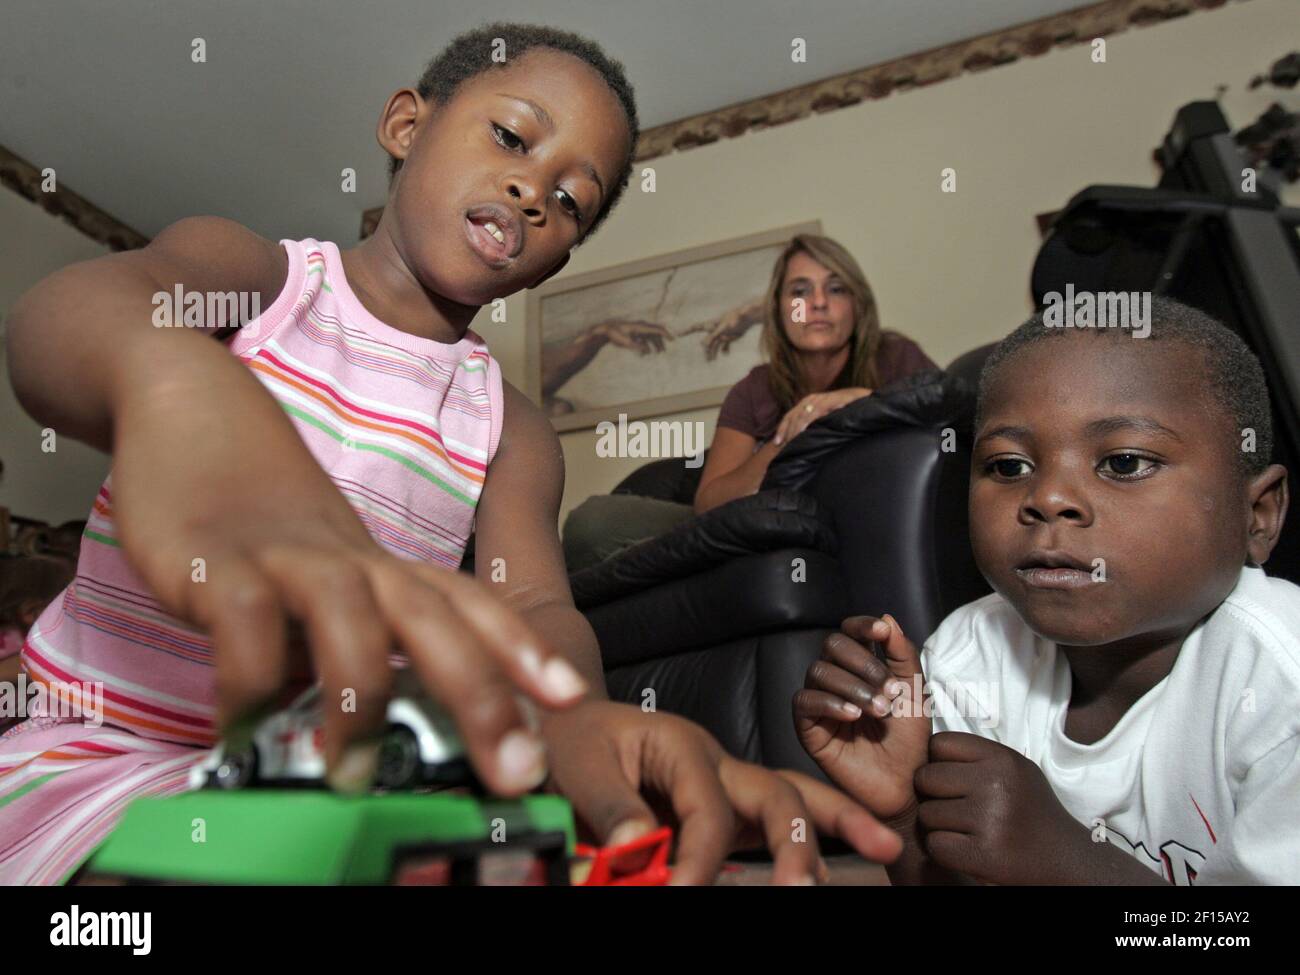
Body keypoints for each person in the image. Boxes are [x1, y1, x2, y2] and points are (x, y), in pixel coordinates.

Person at [0, 22, 900, 884]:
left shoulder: (510, 428)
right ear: (406, 124)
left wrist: (573, 717)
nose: (532, 193)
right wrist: (183, 393)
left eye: (570, 200)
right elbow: (66, 321)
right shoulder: (257, 280)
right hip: (101, 759)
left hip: (325, 790)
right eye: (511, 136)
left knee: (547, 857)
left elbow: (541, 608)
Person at [795, 297, 1298, 884]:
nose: (1048, 497)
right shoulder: (970, 655)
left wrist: (1072, 863)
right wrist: (907, 819)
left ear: (1256, 515)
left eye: (1124, 462)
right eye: (1009, 467)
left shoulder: (1281, 687)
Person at [694, 234, 936, 513]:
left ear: (857, 305)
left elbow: (956, 421)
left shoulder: (896, 356)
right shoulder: (752, 390)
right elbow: (707, 505)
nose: (818, 302)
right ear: (778, 309)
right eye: (800, 292)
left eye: (836, 289)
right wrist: (790, 441)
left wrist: (866, 404)